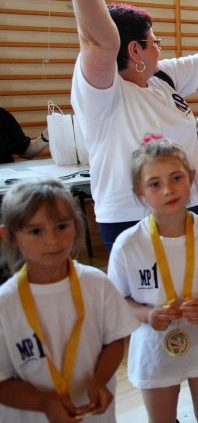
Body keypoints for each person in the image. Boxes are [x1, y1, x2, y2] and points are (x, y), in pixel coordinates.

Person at [28, 0, 198, 251]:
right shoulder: (103, 92)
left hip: (195, 206)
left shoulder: (161, 77)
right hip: (135, 218)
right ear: (135, 49)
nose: (160, 48)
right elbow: (101, 42)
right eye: (155, 41)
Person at [107, 137, 198, 422]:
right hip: (153, 348)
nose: (168, 190)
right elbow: (117, 301)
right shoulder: (128, 244)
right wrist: (147, 314)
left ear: (192, 178)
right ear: (139, 192)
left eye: (176, 178)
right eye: (154, 184)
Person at [0, 179, 138, 422]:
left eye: (61, 226)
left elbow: (114, 340)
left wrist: (99, 380)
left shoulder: (97, 283)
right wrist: (45, 403)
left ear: (76, 225)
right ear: (9, 235)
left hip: (95, 414)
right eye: (36, 231)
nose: (52, 240)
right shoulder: (5, 305)